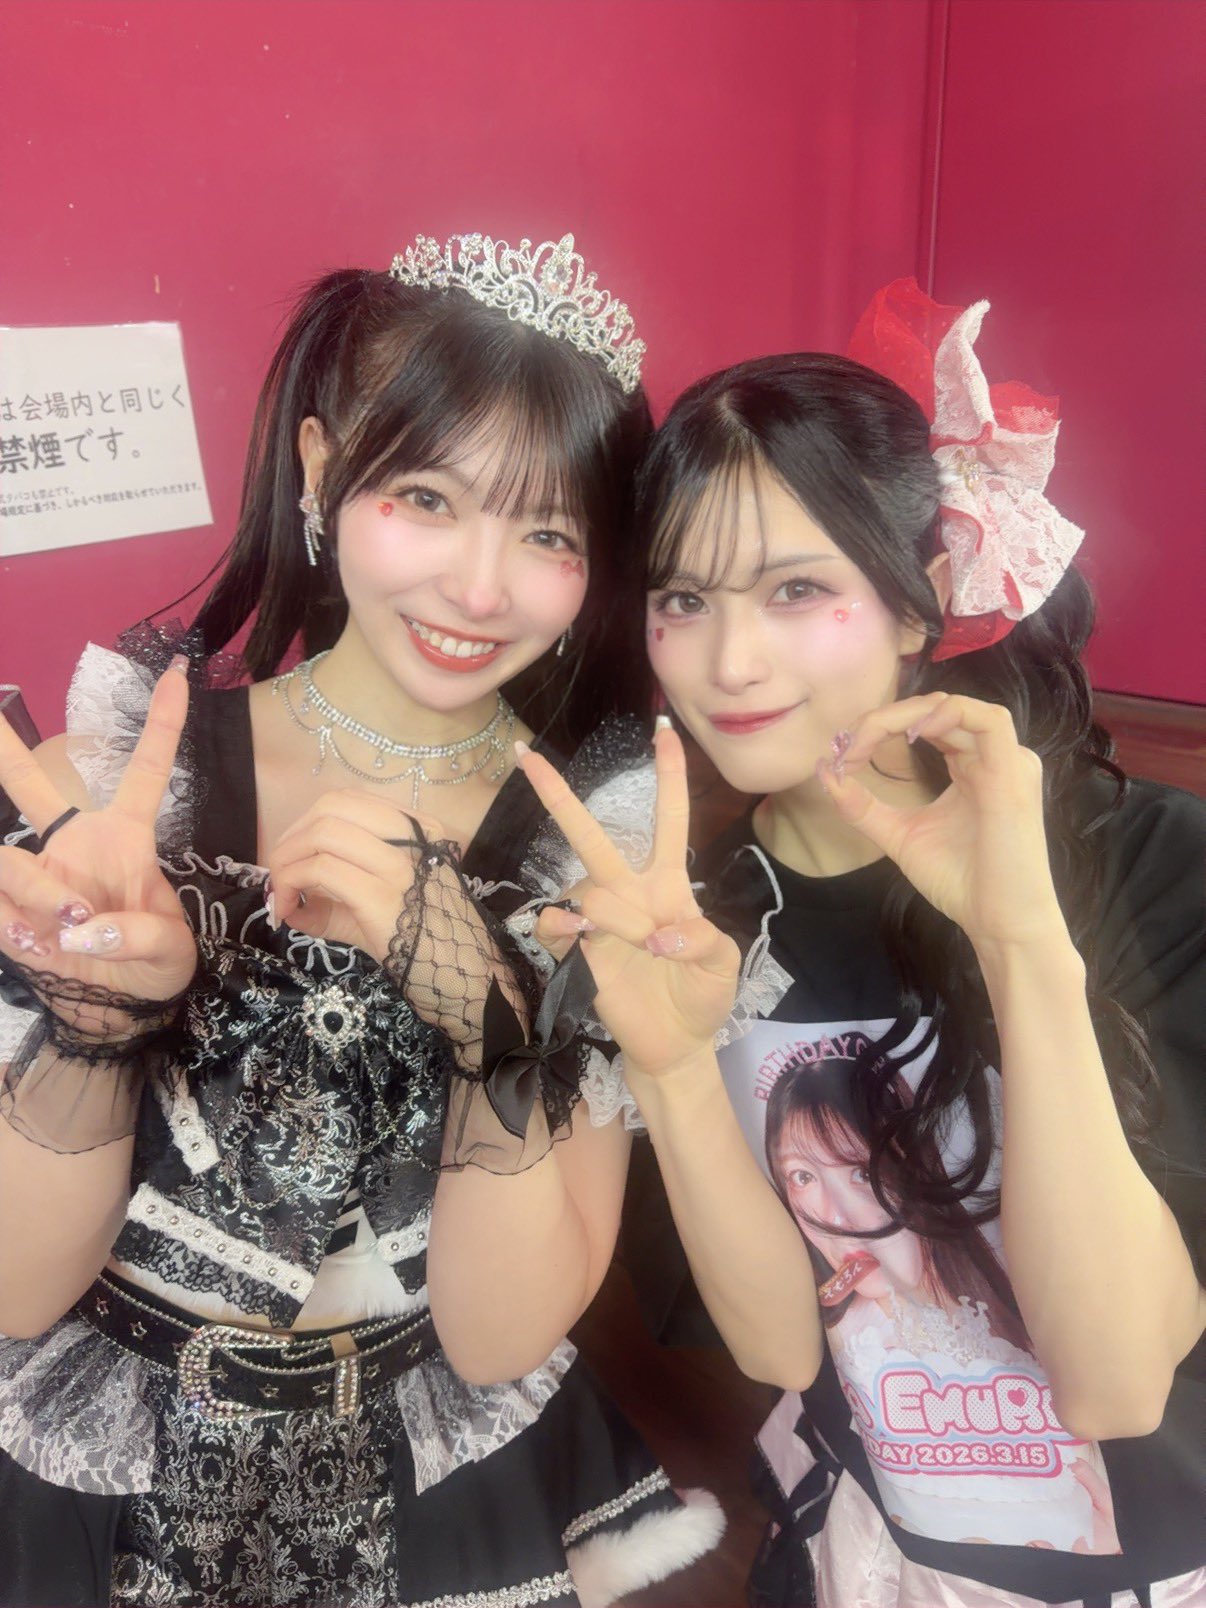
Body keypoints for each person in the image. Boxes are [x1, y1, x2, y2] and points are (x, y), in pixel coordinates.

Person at [0, 231, 722, 1606]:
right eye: (428, 498)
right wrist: (96, 1027)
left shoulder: (593, 859)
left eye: (549, 532)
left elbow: (499, 1339)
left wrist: (493, 1033)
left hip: (424, 1493)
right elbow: (14, 1290)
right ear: (323, 470)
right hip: (93, 1483)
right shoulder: (122, 781)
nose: (479, 588)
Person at [517, 280, 1205, 1605]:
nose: (729, 662)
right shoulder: (694, 914)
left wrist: (1018, 944)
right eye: (683, 598)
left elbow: (1119, 1382)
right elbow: (783, 1350)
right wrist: (671, 1063)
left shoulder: (1147, 866)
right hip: (883, 1561)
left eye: (795, 588)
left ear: (917, 601)